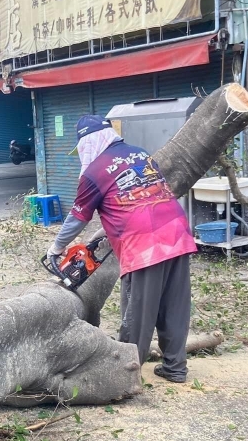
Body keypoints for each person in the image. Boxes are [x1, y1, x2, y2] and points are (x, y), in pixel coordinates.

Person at [46, 114, 197, 383]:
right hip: (176, 230)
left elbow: (78, 217)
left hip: (144, 242)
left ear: (87, 143)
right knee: (174, 303)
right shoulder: (139, 154)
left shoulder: (94, 172)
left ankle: (126, 373)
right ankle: (175, 367)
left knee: (138, 310)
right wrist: (105, 230)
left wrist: (56, 247)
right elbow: (138, 196)